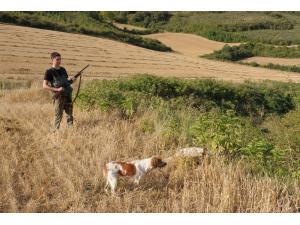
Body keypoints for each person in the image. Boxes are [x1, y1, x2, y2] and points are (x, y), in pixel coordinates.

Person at [43, 52, 78, 130]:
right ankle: (55, 132)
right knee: (58, 116)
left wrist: (73, 80)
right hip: (59, 96)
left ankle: (71, 131)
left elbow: (66, 82)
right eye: (57, 59)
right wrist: (57, 89)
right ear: (52, 60)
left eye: (60, 59)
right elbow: (44, 86)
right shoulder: (49, 71)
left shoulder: (63, 69)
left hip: (68, 95)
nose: (59, 61)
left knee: (69, 115)